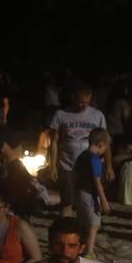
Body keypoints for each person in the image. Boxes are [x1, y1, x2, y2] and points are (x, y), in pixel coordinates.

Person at [46, 85, 109, 218]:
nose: (83, 105)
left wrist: (108, 166)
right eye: (80, 102)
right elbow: (54, 143)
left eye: (86, 102)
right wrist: (52, 166)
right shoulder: (61, 115)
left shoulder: (97, 115)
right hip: (67, 164)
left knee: (87, 201)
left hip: (89, 167)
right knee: (67, 201)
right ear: (73, 98)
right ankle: (65, 227)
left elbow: (106, 141)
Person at [72, 128, 112, 255]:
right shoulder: (95, 159)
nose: (105, 150)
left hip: (78, 192)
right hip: (89, 194)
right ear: (101, 144)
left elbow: (75, 174)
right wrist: (104, 201)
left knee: (82, 223)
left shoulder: (81, 156)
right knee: (94, 224)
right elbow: (97, 182)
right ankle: (89, 252)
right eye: (106, 147)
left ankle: (79, 248)